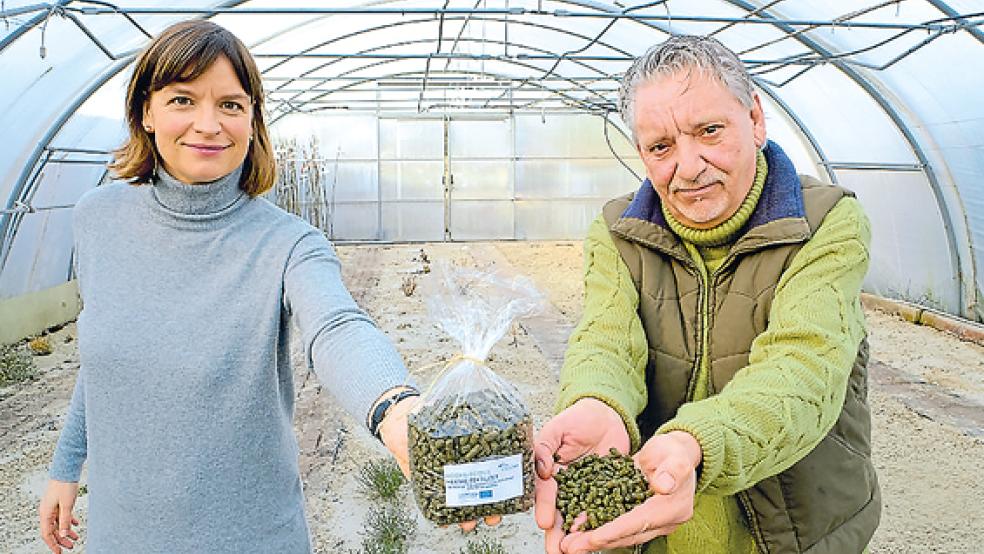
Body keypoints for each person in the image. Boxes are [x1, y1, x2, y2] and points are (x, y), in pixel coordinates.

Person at [37, 20, 423, 553]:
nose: (208, 124)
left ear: (252, 119)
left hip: (249, 538)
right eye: (182, 100)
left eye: (231, 105)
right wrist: (65, 467)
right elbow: (104, 357)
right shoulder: (98, 219)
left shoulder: (288, 244)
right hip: (120, 534)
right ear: (146, 112)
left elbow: (338, 327)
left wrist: (394, 406)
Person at [533, 35, 880, 554]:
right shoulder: (618, 231)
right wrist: (596, 403)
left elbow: (805, 367)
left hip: (792, 528)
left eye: (709, 131)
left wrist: (695, 443)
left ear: (756, 120)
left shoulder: (825, 223)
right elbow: (605, 341)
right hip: (658, 522)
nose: (689, 166)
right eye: (661, 147)